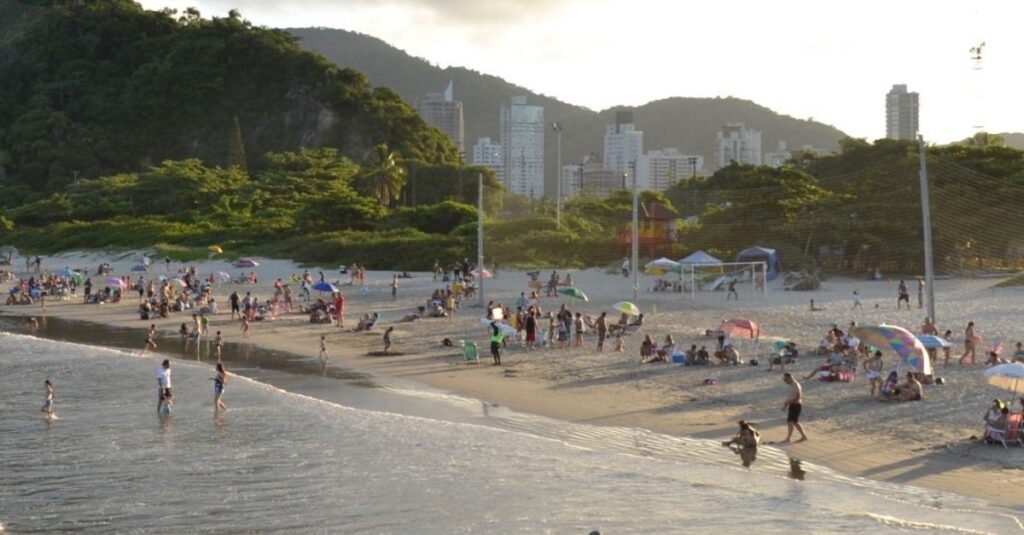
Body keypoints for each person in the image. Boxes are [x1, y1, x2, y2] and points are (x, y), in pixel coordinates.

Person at [781, 373, 807, 443]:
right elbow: (791, 396)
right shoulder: (792, 385)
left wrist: (788, 402)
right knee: (795, 422)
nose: (785, 381)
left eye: (785, 379)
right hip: (793, 405)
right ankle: (803, 436)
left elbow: (798, 396)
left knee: (790, 421)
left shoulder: (795, 385)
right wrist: (786, 404)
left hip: (796, 405)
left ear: (789, 378)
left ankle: (788, 438)